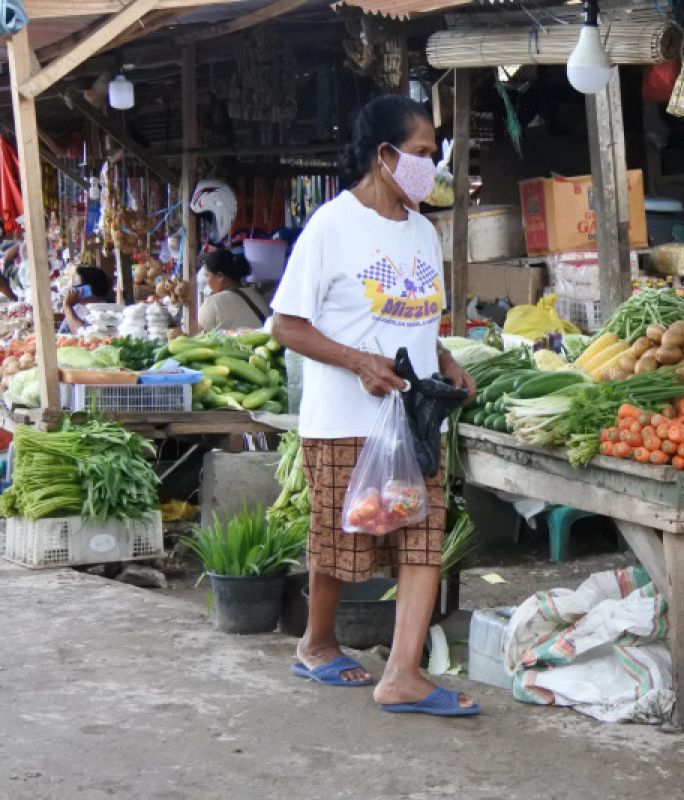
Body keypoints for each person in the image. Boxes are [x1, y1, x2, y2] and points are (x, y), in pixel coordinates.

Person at [271, 95, 478, 716]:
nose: (429, 165)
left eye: (432, 153)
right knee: (345, 539)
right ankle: (316, 643)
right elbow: (286, 324)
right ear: (384, 157)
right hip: (344, 420)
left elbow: (411, 317)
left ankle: (403, 673)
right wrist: (358, 360)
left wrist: (443, 360)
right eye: (419, 154)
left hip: (413, 420)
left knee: (421, 539)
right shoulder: (332, 227)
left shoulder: (421, 229)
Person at [197, 247, 269, 332]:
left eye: (207, 275)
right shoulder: (256, 295)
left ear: (220, 276)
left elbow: (197, 335)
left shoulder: (214, 302)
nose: (207, 281)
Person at [62, 267, 113, 334]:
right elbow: (62, 332)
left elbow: (83, 334)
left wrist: (67, 306)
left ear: (88, 289)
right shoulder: (77, 308)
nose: (72, 289)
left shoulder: (104, 312)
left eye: (76, 285)